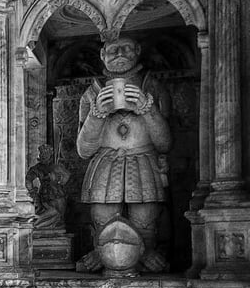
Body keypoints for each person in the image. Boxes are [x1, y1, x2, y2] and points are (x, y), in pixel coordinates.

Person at [76, 38, 172, 272]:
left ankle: (146, 252)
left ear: (138, 50)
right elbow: (84, 149)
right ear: (102, 54)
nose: (119, 53)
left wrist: (147, 109)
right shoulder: (91, 94)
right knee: (102, 216)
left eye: (127, 47)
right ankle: (101, 251)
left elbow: (165, 143)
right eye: (112, 49)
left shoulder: (153, 87)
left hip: (144, 162)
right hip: (105, 164)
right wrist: (97, 114)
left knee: (146, 218)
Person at [26, 144, 69, 231]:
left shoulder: (56, 167)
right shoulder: (36, 168)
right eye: (43, 153)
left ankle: (38, 225)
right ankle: (35, 224)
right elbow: (28, 180)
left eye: (47, 153)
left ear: (50, 154)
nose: (44, 155)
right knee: (54, 213)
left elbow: (66, 177)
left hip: (58, 193)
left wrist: (59, 181)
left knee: (59, 216)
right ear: (40, 155)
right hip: (46, 194)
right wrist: (32, 191)